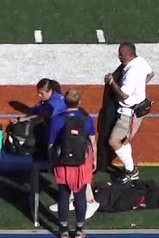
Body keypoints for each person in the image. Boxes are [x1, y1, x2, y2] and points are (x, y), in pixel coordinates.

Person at [50, 89, 98, 238]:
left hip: (63, 162)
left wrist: (52, 160)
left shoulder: (57, 120)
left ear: (65, 102)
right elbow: (92, 142)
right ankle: (79, 230)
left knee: (63, 195)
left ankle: (63, 229)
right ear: (79, 102)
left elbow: (51, 144)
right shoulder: (86, 119)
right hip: (82, 162)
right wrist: (94, 159)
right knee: (80, 195)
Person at [104, 42, 153, 182]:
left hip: (129, 113)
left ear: (129, 54)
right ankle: (130, 168)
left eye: (121, 54)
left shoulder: (131, 72)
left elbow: (124, 94)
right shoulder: (141, 61)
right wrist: (140, 86)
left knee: (114, 141)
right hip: (136, 108)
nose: (119, 57)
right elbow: (150, 74)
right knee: (124, 140)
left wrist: (111, 82)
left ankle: (131, 170)